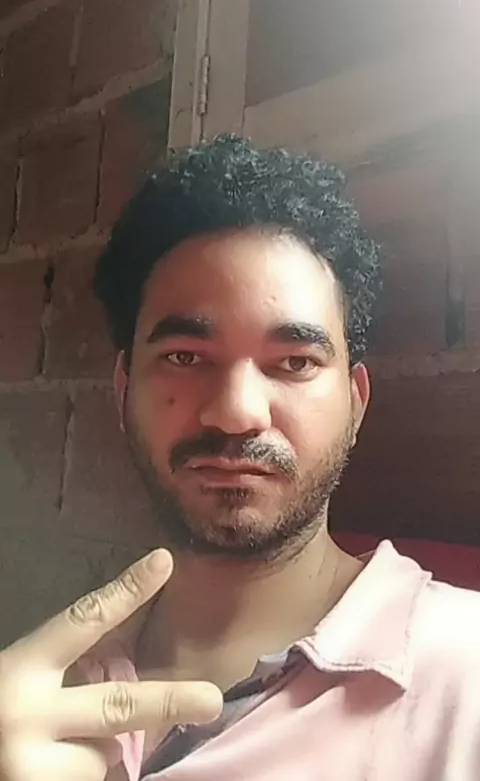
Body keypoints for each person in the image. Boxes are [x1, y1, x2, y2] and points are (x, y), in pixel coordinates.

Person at [1, 135, 479, 781]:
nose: (236, 413)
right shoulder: (43, 687)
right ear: (123, 391)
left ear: (356, 404)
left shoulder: (466, 676)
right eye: (185, 357)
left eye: (295, 362)